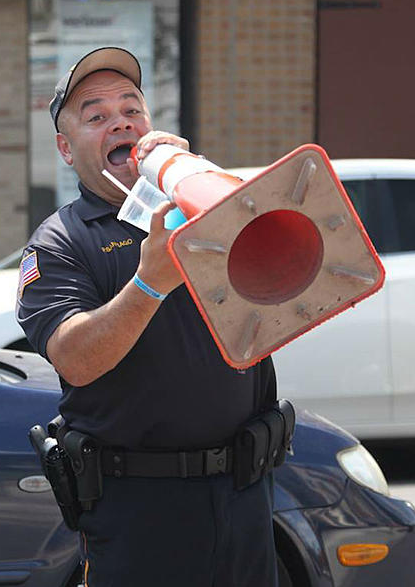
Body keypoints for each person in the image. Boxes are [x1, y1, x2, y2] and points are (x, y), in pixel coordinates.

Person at [16, 47, 280, 587]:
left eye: (131, 108)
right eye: (97, 115)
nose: (121, 121)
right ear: (67, 150)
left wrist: (195, 179)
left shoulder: (202, 204)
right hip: (141, 507)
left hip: (243, 493)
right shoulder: (62, 242)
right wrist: (149, 283)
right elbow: (74, 358)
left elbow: (282, 290)